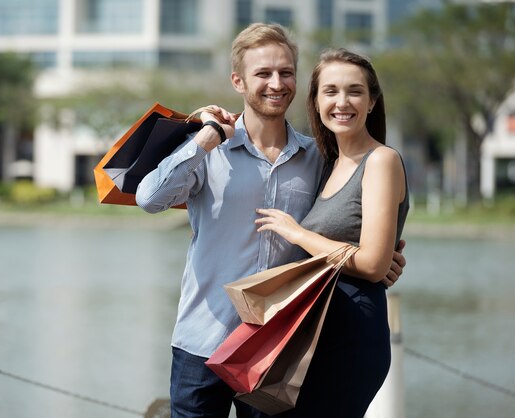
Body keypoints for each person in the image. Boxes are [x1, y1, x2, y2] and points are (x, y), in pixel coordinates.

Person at [135, 23, 406, 418]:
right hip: (203, 340)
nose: (276, 83)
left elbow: (350, 221)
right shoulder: (210, 148)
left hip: (276, 349)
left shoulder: (319, 158)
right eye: (263, 73)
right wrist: (206, 136)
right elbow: (149, 199)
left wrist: (378, 264)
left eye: (286, 72)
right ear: (238, 82)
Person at [254, 48, 410, 417]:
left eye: (355, 91)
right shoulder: (327, 162)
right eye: (331, 91)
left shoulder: (382, 161)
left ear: (372, 101)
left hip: (351, 332)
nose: (342, 102)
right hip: (311, 329)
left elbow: (372, 264)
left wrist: (298, 234)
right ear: (316, 101)